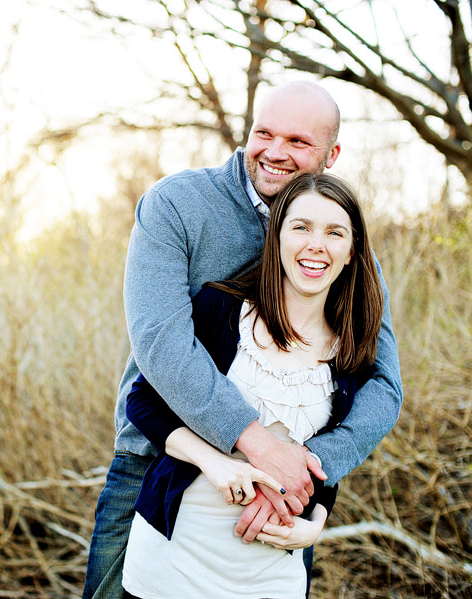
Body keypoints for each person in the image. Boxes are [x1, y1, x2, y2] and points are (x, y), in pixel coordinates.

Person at [82, 81, 403, 599]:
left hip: (283, 494)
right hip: (157, 466)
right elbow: (159, 345)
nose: (275, 152)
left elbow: (382, 384)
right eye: (264, 133)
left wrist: (310, 474)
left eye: (299, 142)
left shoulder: (343, 246)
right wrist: (256, 444)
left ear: (331, 154)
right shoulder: (176, 206)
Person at [121, 173, 384, 598]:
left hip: (274, 575)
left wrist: (315, 523)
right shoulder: (221, 310)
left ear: (352, 251)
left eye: (334, 232)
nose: (316, 244)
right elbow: (143, 402)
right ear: (276, 237)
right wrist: (215, 462)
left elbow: (325, 456)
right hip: (173, 561)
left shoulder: (351, 348)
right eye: (301, 227)